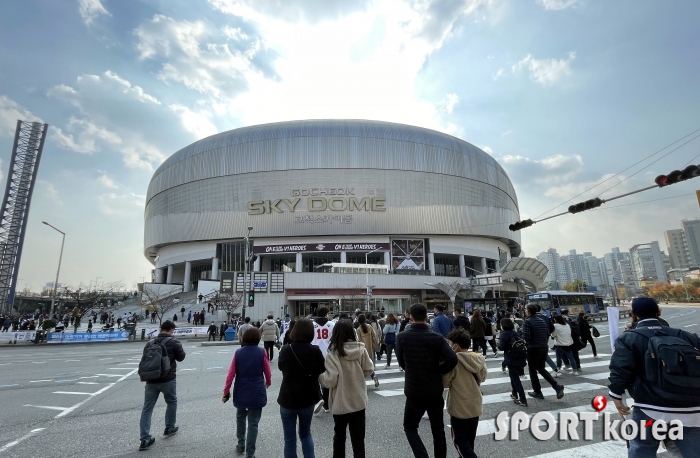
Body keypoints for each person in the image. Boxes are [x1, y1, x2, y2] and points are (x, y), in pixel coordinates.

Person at [609, 297, 700, 457]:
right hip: (690, 409)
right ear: (659, 312)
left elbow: (620, 369)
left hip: (649, 409)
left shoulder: (629, 338)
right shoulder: (684, 336)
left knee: (641, 449)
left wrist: (616, 395)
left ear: (633, 314)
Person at [396, 303, 458, 458]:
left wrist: (412, 369)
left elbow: (402, 362)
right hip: (434, 388)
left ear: (410, 317)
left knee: (410, 427)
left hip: (414, 388)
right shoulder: (437, 338)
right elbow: (452, 358)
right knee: (438, 429)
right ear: (426, 317)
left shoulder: (402, 336)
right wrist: (437, 370)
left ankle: (421, 455)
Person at [319, 320, 374, 458]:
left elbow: (331, 380)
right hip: (358, 400)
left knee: (339, 437)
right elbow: (368, 369)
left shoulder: (333, 352)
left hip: (340, 401)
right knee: (358, 440)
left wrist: (320, 377)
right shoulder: (361, 349)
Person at [278, 319, 325, 458]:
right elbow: (322, 370)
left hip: (287, 398)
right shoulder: (315, 350)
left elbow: (281, 367)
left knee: (289, 439)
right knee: (305, 434)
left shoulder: (286, 349)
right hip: (307, 398)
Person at [222, 327, 272, 458]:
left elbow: (231, 374)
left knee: (240, 417)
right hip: (256, 389)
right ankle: (250, 453)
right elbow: (267, 370)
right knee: (253, 422)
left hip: (241, 388)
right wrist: (268, 381)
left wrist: (226, 391)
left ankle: (241, 444)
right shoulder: (262, 352)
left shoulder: (238, 353)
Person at [138, 321, 186, 451]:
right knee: (171, 402)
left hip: (151, 380)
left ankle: (145, 439)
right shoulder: (174, 342)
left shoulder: (150, 343)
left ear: (161, 329)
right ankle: (169, 426)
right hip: (168, 379)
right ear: (171, 330)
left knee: (147, 409)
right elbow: (181, 357)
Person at [443, 328, 487, 458]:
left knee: (459, 441)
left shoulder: (453, 361)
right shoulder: (477, 358)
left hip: (459, 407)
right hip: (475, 405)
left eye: (450, 344)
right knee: (469, 440)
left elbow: (445, 382)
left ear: (455, 346)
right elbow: (483, 377)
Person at [523, 304, 564, 400]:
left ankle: (537, 391)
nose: (525, 312)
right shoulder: (541, 320)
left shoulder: (527, 322)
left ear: (528, 311)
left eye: (525, 310)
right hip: (543, 347)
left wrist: (524, 337)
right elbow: (547, 333)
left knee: (532, 370)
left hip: (533, 348)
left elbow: (527, 337)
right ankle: (556, 386)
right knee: (541, 369)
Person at [498, 318, 527, 406]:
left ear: (503, 326)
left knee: (516, 379)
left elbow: (501, 348)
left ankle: (523, 399)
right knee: (513, 376)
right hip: (520, 357)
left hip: (511, 359)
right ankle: (514, 394)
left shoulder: (503, 335)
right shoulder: (516, 333)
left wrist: (498, 343)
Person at [312, 307, 335, 414]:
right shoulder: (332, 324)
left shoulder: (311, 325)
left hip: (314, 353)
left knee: (314, 378)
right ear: (327, 314)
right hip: (328, 354)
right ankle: (326, 404)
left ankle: (318, 398)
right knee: (326, 379)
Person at [355, 314, 379, 388]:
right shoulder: (369, 326)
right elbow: (374, 335)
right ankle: (373, 376)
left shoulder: (358, 329)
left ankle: (362, 383)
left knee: (362, 366)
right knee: (369, 365)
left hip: (362, 349)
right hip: (370, 348)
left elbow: (358, 340)